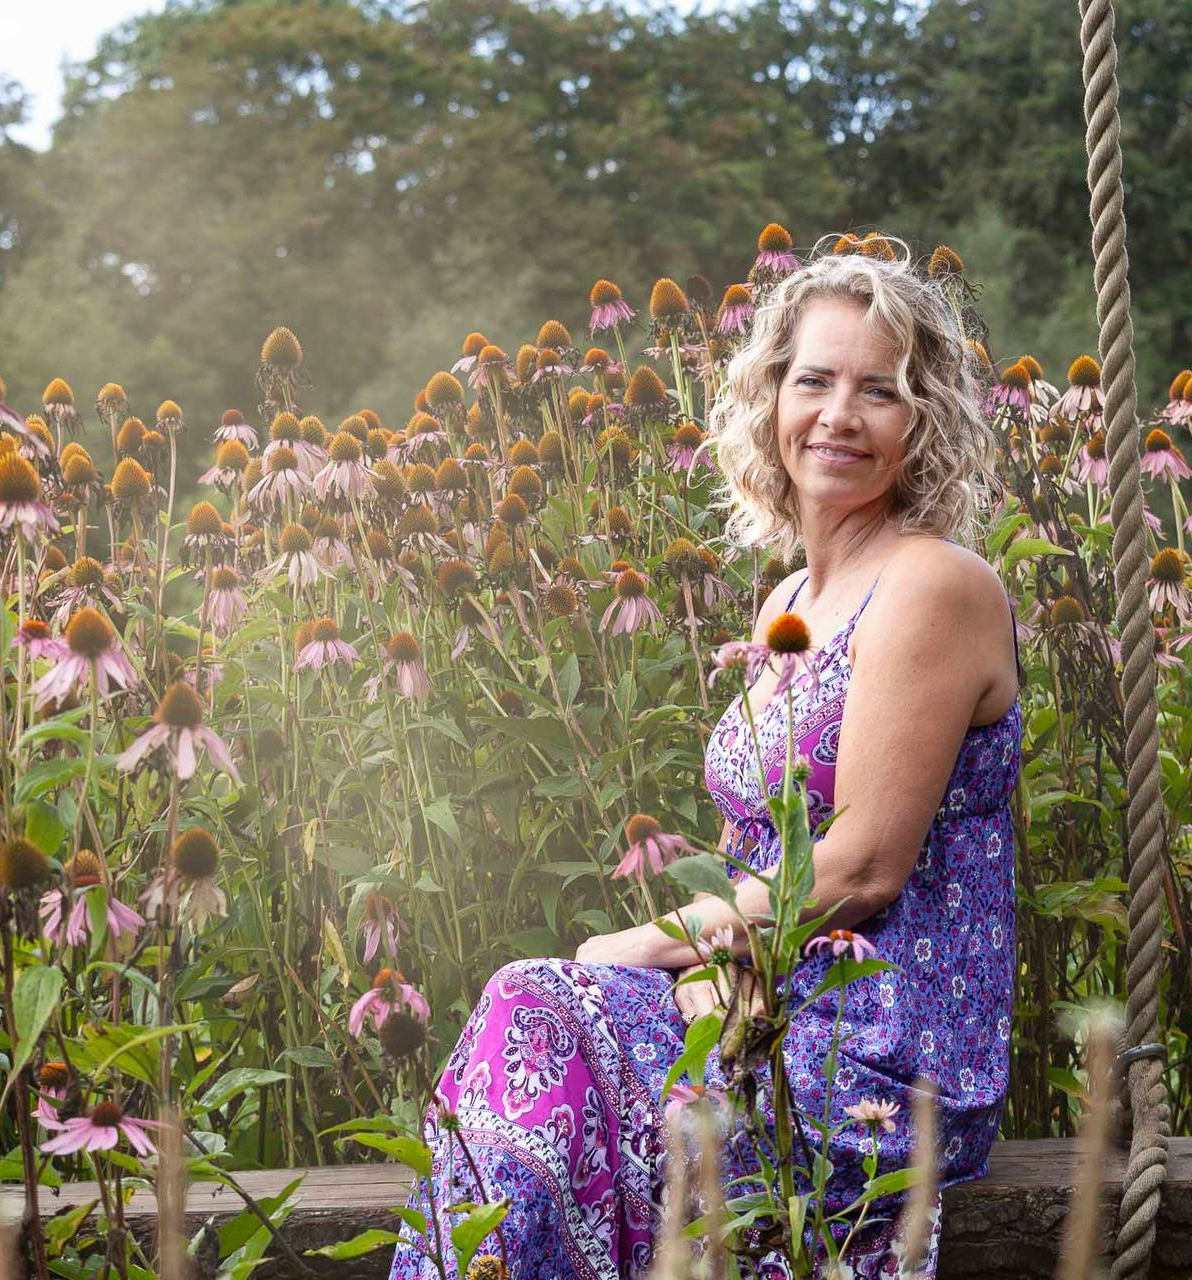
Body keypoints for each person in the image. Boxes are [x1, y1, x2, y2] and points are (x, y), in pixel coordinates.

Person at [389, 235, 1023, 1280]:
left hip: (885, 1043)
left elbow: (864, 864)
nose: (838, 415)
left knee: (543, 1001)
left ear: (926, 421)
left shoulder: (931, 583)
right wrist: (708, 967)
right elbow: (755, 851)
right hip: (768, 995)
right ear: (770, 397)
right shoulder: (787, 599)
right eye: (813, 379)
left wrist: (647, 942)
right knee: (540, 1020)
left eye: (880, 391)